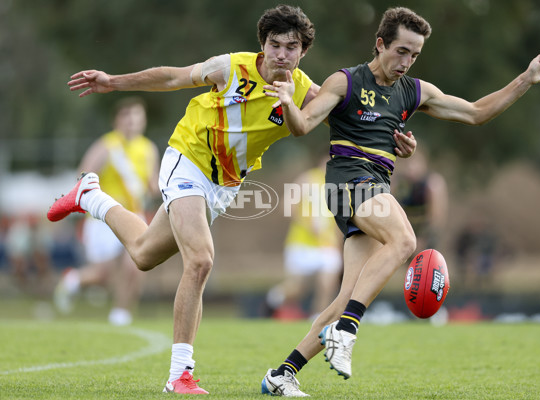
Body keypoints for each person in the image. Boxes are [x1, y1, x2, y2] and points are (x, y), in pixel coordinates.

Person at [46, 5, 417, 395]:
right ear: (263, 44)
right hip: (187, 160)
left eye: (291, 47)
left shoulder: (307, 91)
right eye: (275, 45)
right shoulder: (231, 67)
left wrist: (397, 144)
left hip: (225, 184)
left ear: (302, 52)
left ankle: (90, 196)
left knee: (142, 254)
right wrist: (113, 82)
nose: (281, 55)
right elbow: (173, 77)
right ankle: (180, 374)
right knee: (202, 260)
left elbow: (356, 122)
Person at [260, 6, 540, 397]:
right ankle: (348, 329)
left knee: (346, 295)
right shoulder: (344, 82)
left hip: (375, 187)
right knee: (404, 241)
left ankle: (283, 373)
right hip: (347, 181)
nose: (407, 61)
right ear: (380, 44)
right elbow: (301, 127)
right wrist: (287, 101)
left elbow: (476, 113)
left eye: (415, 54)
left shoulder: (413, 91)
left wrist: (526, 78)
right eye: (401, 51)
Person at [53, 96, 160, 326]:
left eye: (136, 116)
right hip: (104, 218)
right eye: (126, 116)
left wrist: (155, 190)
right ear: (117, 120)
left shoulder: (148, 149)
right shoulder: (106, 146)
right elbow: (83, 175)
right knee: (102, 275)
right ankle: (74, 280)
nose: (131, 121)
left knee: (138, 264)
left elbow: (151, 183)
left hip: (134, 215)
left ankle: (121, 314)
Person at [266, 156, 343, 320]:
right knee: (297, 288)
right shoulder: (308, 179)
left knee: (328, 280)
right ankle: (273, 299)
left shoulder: (339, 185)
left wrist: (338, 242)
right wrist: (308, 224)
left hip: (326, 244)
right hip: (302, 243)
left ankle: (317, 317)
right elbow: (286, 206)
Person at [391, 148, 447, 252]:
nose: (411, 167)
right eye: (408, 163)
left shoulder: (432, 183)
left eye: (416, 162)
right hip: (403, 231)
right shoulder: (398, 182)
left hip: (424, 232)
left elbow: (436, 217)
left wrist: (424, 239)